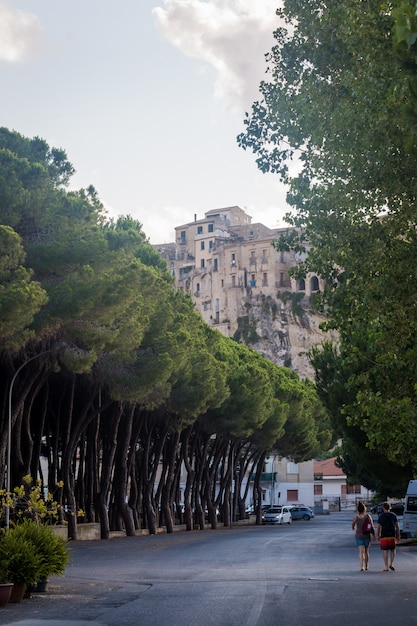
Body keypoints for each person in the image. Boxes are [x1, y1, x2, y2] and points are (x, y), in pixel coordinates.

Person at [352, 501, 375, 571]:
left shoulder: (356, 517)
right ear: (364, 509)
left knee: (361, 551)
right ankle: (366, 565)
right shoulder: (368, 516)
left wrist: (353, 527)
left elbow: (353, 524)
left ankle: (361, 566)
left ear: (358, 509)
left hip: (359, 536)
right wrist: (374, 535)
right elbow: (372, 526)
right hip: (366, 535)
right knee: (366, 551)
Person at [377, 502, 401, 571]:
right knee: (393, 549)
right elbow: (397, 526)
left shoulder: (381, 516)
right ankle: (392, 563)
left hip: (384, 535)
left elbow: (379, 527)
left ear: (383, 508)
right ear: (389, 508)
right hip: (392, 535)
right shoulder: (393, 515)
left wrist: (378, 535)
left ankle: (386, 566)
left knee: (385, 550)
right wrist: (398, 535)